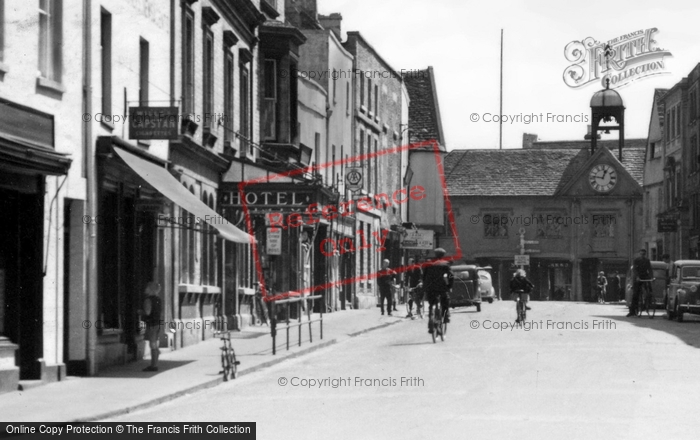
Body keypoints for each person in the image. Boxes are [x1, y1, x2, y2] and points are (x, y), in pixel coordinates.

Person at [423, 248, 453, 333]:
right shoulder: (445, 264)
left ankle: (431, 322)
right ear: (443, 255)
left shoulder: (428, 263)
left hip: (430, 288)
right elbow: (451, 276)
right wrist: (449, 286)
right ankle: (445, 316)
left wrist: (425, 287)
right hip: (441, 287)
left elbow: (424, 276)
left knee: (431, 304)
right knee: (445, 301)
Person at [140, 281, 162, 372]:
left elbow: (147, 312)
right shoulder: (158, 299)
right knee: (154, 344)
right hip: (157, 323)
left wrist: (141, 312)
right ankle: (155, 360)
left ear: (150, 289)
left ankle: (154, 365)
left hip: (151, 324)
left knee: (152, 344)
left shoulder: (148, 300)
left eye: (147, 288)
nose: (145, 289)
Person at [628, 248, 652, 317]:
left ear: (645, 254)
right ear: (639, 254)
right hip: (638, 277)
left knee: (649, 290)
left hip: (645, 276)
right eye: (641, 254)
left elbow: (649, 269)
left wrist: (651, 277)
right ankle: (632, 311)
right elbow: (634, 269)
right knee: (635, 293)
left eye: (643, 254)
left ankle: (648, 303)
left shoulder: (647, 260)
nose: (642, 255)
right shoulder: (636, 260)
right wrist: (637, 277)